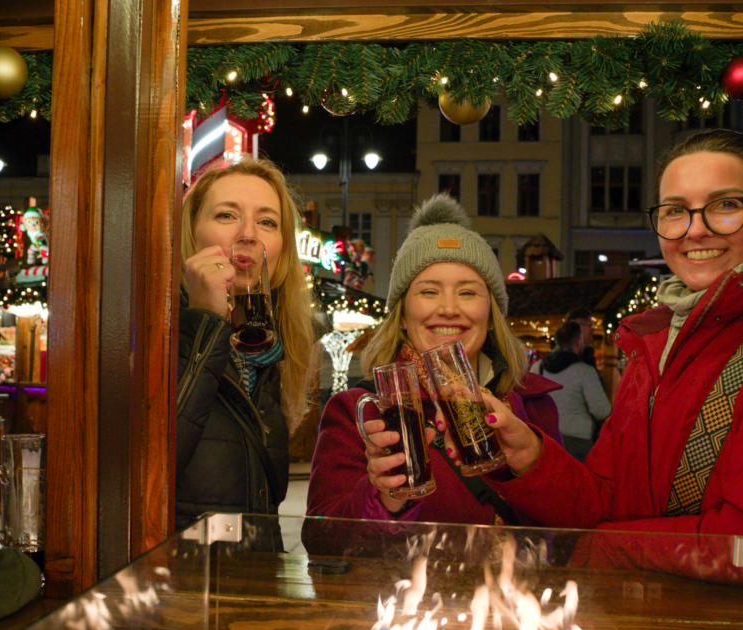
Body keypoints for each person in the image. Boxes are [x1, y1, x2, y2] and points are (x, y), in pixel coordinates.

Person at [478, 129, 743, 569]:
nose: (695, 230)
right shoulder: (655, 340)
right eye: (676, 211)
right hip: (651, 619)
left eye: (726, 205)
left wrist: (598, 550)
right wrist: (530, 458)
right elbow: (609, 498)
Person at [306, 194, 562, 528]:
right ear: (401, 313)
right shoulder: (359, 412)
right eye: (429, 291)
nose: (449, 308)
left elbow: (567, 529)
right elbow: (321, 539)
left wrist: (533, 465)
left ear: (491, 313)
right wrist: (384, 498)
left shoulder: (536, 406)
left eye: (467, 292)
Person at [176, 157, 319, 535]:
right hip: (177, 583)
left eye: (267, 222)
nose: (248, 234)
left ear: (282, 250)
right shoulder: (153, 330)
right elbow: (147, 468)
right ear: (191, 232)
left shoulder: (266, 355)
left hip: (248, 585)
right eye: (226, 216)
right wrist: (205, 322)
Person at [531, 321, 611, 462]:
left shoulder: (537, 368)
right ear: (578, 342)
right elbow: (602, 411)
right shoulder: (585, 371)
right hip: (577, 442)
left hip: (545, 439)